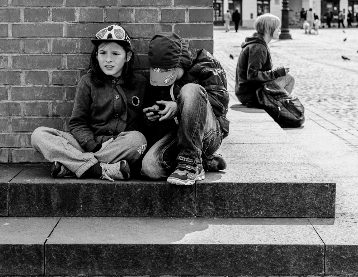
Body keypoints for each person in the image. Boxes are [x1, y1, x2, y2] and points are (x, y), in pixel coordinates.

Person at [31, 25, 147, 181]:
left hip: (118, 146)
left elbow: (143, 124)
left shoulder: (139, 83)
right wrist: (93, 146)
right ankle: (99, 169)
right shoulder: (87, 82)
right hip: (86, 145)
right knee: (39, 135)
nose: (108, 59)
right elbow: (77, 123)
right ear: (96, 56)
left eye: (115, 54)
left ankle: (73, 166)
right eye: (103, 53)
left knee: (138, 140)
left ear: (127, 56)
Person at [140, 32, 229, 186]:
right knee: (150, 167)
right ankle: (203, 160)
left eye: (170, 74)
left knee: (191, 90)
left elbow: (220, 105)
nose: (166, 79)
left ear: (181, 63)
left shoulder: (206, 64)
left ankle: (191, 163)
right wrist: (157, 113)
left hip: (208, 133)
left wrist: (178, 107)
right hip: (180, 135)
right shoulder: (158, 79)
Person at [235, 14, 294, 107]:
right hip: (251, 94)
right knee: (289, 78)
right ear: (268, 29)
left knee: (286, 78)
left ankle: (278, 102)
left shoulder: (257, 44)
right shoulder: (258, 47)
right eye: (277, 27)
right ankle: (276, 104)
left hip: (246, 93)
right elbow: (252, 75)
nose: (279, 30)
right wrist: (276, 73)